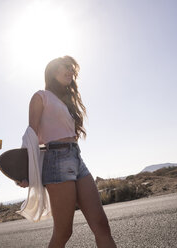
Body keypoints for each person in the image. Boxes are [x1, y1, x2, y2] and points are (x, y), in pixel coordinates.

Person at [16, 56, 117, 248]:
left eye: (73, 68)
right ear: (53, 71)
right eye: (66, 67)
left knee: (102, 226)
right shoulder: (40, 96)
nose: (71, 71)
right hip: (56, 160)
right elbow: (32, 135)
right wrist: (24, 171)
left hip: (76, 158)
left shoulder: (67, 102)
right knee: (63, 232)